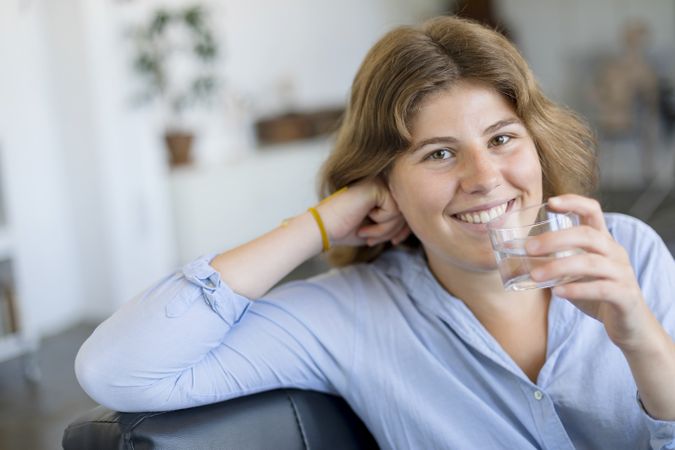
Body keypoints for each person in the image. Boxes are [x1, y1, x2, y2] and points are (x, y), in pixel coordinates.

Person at [75, 16, 675, 449]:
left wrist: (640, 338)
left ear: (535, 143)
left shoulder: (630, 252)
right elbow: (120, 369)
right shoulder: (352, 314)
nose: (485, 178)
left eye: (501, 138)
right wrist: (321, 223)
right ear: (385, 182)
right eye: (439, 154)